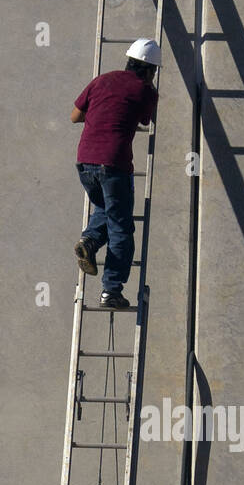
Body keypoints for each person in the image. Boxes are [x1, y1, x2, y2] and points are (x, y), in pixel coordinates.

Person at [70, 38, 160, 310]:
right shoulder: (145, 90)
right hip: (114, 164)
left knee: (104, 211)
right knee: (121, 227)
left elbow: (75, 116)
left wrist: (101, 115)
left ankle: (90, 240)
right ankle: (111, 291)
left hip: (85, 163)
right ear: (149, 71)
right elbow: (145, 119)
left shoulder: (101, 80)